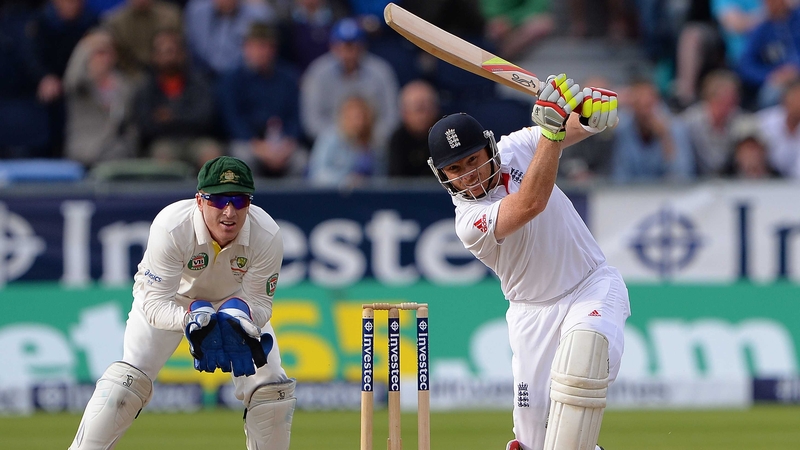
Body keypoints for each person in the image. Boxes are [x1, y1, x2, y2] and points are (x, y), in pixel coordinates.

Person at [426, 74, 629, 450]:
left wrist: (589, 116)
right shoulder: (468, 222)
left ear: (489, 148)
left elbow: (568, 130)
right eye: (455, 170)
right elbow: (531, 203)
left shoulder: (515, 147)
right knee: (534, 443)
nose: (468, 175)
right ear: (443, 176)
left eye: (472, 160)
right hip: (531, 317)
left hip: (591, 286)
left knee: (582, 363)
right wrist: (552, 131)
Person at [67, 155, 296, 450]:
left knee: (271, 390)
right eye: (219, 200)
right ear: (200, 200)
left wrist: (241, 317)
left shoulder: (267, 234)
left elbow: (261, 303)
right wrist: (190, 319)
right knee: (126, 382)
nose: (229, 212)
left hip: (234, 303)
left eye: (239, 201)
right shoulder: (172, 226)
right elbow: (154, 304)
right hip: (173, 299)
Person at [217, 21, 306, 178]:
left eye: (265, 46)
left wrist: (288, 143)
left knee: (301, 160)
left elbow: (296, 116)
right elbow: (232, 120)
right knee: (242, 159)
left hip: (283, 142)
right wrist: (258, 146)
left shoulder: (288, 77)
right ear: (245, 48)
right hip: (247, 142)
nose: (260, 52)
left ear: (274, 49)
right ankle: (252, 195)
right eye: (255, 46)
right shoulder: (232, 79)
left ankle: (289, 196)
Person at [132, 28, 222, 170]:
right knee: (162, 158)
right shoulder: (145, 89)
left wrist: (171, 117)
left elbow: (205, 118)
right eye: (162, 52)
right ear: (154, 56)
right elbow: (146, 126)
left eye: (171, 51)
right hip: (163, 141)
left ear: (182, 54)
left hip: (197, 139)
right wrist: (185, 116)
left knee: (212, 157)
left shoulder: (199, 83)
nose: (168, 57)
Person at [737, 0, 800, 110]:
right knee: (769, 95)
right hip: (777, 80)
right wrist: (770, 75)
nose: (774, 4)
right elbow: (745, 65)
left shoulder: (797, 20)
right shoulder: (760, 30)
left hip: (797, 73)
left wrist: (796, 68)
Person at [307, 94, 378, 187]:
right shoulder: (329, 138)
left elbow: (380, 179)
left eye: (362, 116)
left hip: (367, 194)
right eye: (355, 117)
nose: (359, 122)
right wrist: (345, 181)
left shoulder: (374, 143)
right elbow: (317, 174)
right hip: (331, 193)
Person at [387, 79, 440, 177]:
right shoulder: (398, 139)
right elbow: (396, 180)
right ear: (404, 112)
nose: (422, 116)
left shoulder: (444, 132)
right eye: (418, 109)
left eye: (426, 108)